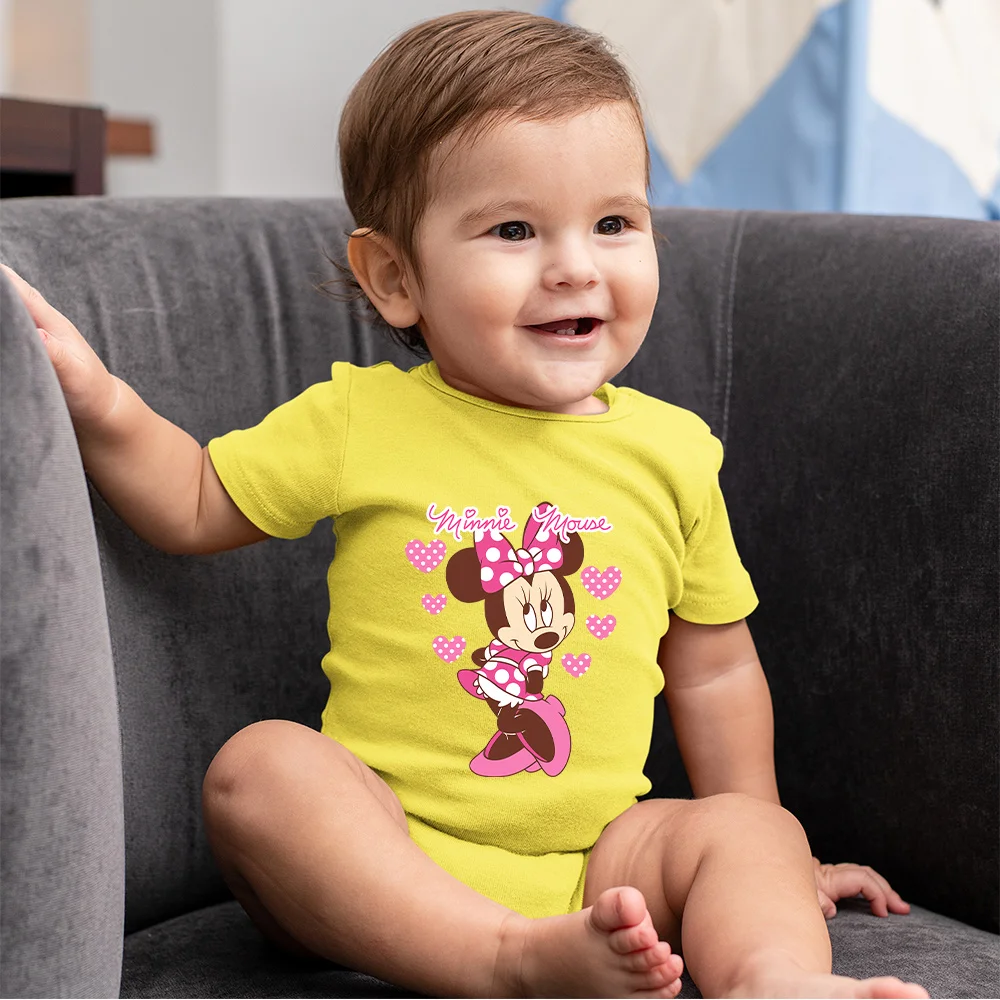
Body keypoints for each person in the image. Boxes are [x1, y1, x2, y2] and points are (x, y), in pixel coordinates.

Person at [2, 10, 931, 999]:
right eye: (514, 230)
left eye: (614, 223)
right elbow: (192, 499)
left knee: (751, 830)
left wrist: (778, 854)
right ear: (395, 277)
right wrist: (97, 397)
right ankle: (502, 960)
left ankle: (773, 980)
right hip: (385, 853)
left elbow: (714, 671)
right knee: (258, 770)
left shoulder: (672, 453)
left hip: (600, 862)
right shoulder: (361, 419)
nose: (576, 265)